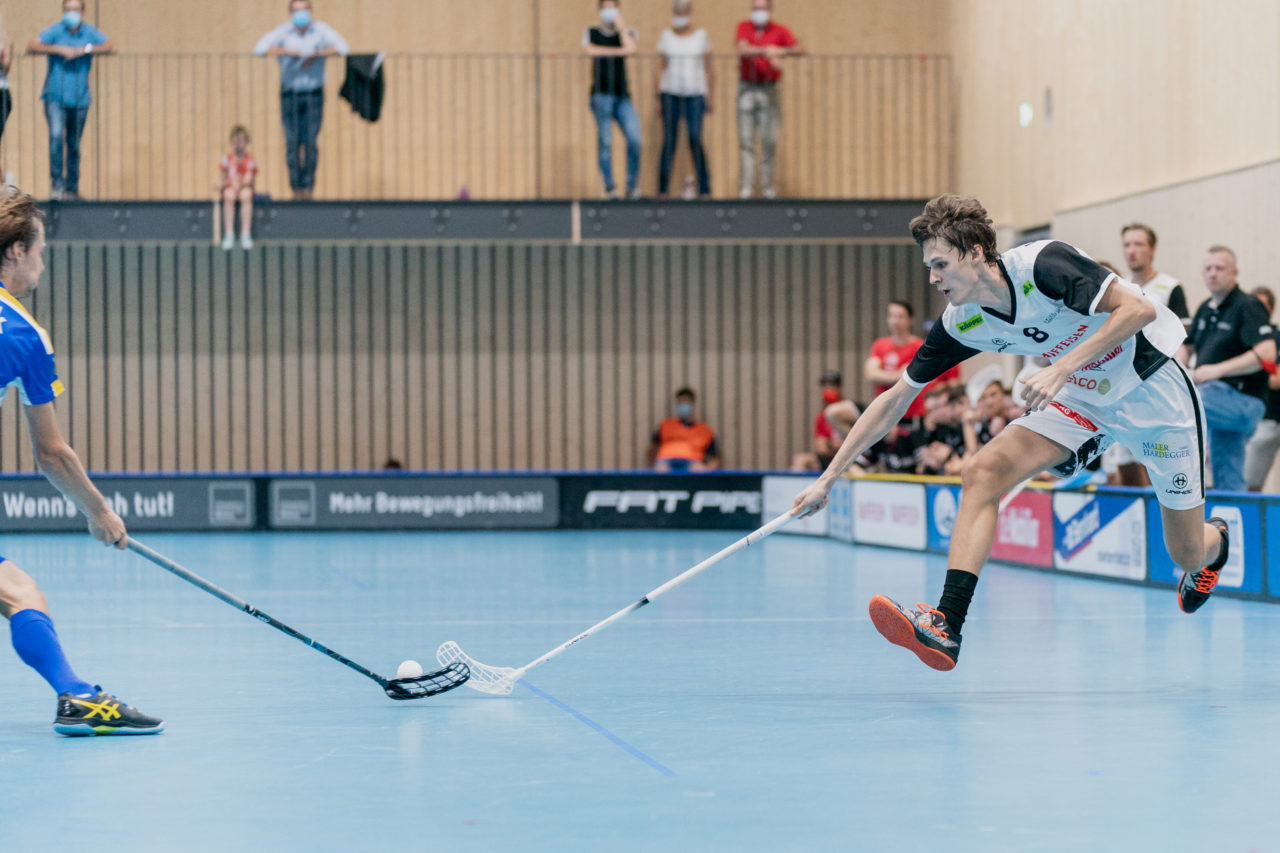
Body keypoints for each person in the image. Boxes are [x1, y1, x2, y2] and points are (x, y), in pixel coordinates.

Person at [792, 194, 1231, 672]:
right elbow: (895, 398)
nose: (932, 278)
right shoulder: (964, 322)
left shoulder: (1044, 265)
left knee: (1185, 552)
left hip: (1152, 392)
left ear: (976, 252)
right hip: (1081, 399)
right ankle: (947, 625)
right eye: (929, 266)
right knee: (983, 471)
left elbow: (1139, 311)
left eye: (940, 263)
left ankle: (1217, 544)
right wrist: (829, 477)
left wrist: (1061, 367)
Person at [0, 188, 162, 735]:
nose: (42, 265)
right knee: (20, 594)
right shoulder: (24, 335)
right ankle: (75, 698)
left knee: (15, 590)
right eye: (40, 251)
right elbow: (51, 453)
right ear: (16, 252)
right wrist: (100, 513)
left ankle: (73, 692)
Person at [1180, 246, 1275, 492]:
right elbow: (1185, 348)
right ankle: (1234, 521)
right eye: (1208, 268)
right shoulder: (1205, 309)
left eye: (1219, 268)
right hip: (1218, 407)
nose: (1213, 274)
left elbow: (1266, 353)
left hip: (1242, 401)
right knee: (1228, 478)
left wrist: (1216, 370)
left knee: (1185, 400)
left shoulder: (1248, 306)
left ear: (1235, 272)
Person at [1103, 223, 1189, 486]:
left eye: (1138, 244)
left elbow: (1184, 343)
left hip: (1159, 384)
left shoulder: (1170, 287)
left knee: (1158, 463)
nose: (1131, 251)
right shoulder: (1120, 288)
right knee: (1124, 464)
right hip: (1125, 386)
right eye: (1127, 245)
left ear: (1152, 249)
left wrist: (1176, 378)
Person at [254, 0, 349, 201]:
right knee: (292, 143)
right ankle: (296, 189)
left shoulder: (320, 31)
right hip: (290, 94)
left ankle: (308, 188)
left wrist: (315, 54)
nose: (301, 14)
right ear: (290, 12)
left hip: (313, 94)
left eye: (304, 10)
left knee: (310, 143)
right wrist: (292, 55)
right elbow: (260, 48)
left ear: (310, 11)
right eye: (297, 11)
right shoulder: (283, 33)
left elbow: (343, 47)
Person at [26, 0, 115, 201]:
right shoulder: (56, 31)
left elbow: (110, 45)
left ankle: (71, 187)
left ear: (82, 12)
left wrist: (85, 49)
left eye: (75, 10)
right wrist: (60, 49)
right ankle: (57, 184)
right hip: (55, 97)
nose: (71, 13)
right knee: (56, 136)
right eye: (67, 10)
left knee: (74, 143)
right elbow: (32, 45)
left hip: (80, 99)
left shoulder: (89, 33)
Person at [734, 0, 803, 199]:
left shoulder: (780, 31)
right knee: (746, 140)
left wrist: (781, 51)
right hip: (747, 87)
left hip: (769, 88)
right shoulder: (744, 27)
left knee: (769, 140)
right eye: (755, 9)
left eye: (762, 9)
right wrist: (766, 51)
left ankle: (767, 187)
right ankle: (746, 188)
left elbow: (799, 48)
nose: (759, 12)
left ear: (770, 10)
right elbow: (741, 50)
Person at [583, 0, 642, 200]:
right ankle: (610, 187)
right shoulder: (591, 32)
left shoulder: (625, 32)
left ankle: (632, 186)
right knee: (605, 141)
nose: (610, 12)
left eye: (613, 8)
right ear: (600, 10)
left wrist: (621, 27)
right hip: (601, 95)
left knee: (635, 138)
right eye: (606, 8)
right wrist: (618, 52)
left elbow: (632, 49)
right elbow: (590, 50)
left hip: (622, 95)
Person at [655, 1, 713, 199]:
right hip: (670, 93)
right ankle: (662, 190)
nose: (680, 15)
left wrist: (709, 94)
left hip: (695, 93)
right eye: (677, 11)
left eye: (683, 11)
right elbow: (660, 67)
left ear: (689, 12)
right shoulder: (666, 37)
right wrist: (657, 97)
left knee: (695, 137)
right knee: (669, 141)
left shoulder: (701, 36)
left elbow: (708, 67)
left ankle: (705, 188)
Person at [1243, 287, 1280, 491]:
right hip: (1254, 419)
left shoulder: (1276, 338)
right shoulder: (1243, 338)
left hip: (1271, 419)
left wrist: (1245, 371)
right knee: (1249, 481)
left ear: (1271, 310)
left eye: (1261, 306)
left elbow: (1276, 379)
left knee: (1251, 482)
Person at [647, 387, 720, 471]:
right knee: (661, 469)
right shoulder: (665, 425)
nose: (683, 405)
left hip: (692, 461)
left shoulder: (705, 430)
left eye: (686, 402)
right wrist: (653, 465)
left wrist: (708, 470)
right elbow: (652, 449)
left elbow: (714, 457)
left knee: (698, 469)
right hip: (666, 460)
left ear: (692, 403)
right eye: (680, 402)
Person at [789, 370, 847, 471]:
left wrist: (834, 445)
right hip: (830, 459)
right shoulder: (821, 416)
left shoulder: (848, 411)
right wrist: (834, 445)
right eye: (825, 385)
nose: (828, 389)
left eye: (832, 385)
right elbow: (821, 448)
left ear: (839, 388)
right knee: (800, 460)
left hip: (850, 457)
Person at [218, 125, 258, 250]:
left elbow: (249, 179)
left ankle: (245, 233)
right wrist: (228, 184)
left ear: (246, 142)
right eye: (235, 142)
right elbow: (222, 179)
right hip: (231, 187)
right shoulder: (227, 159)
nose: (238, 145)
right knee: (228, 195)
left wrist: (239, 185)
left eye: (241, 141)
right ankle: (229, 234)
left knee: (246, 195)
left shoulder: (250, 160)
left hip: (244, 187)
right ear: (231, 142)